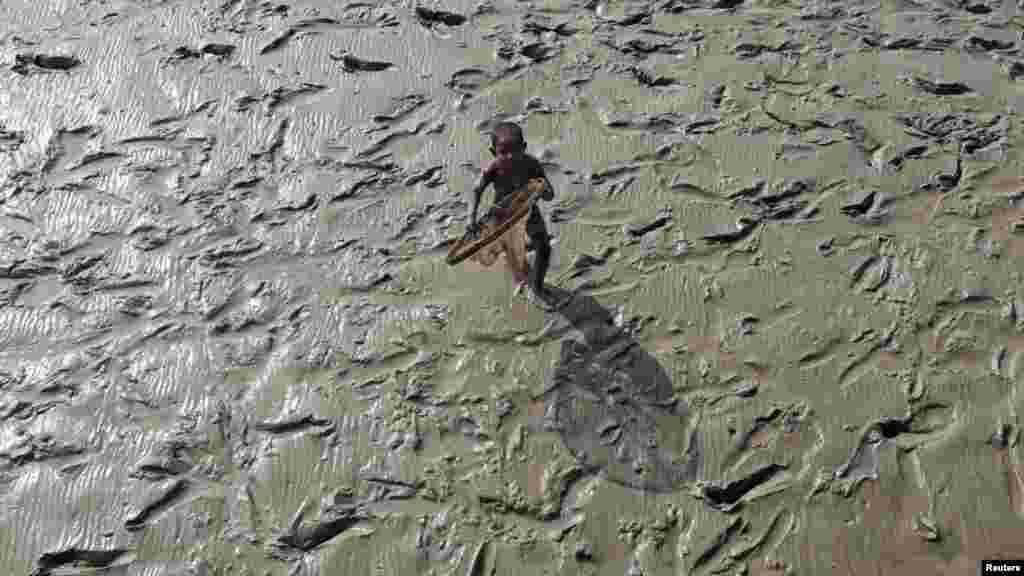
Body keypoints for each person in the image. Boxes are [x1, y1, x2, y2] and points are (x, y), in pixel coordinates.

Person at [468, 122, 559, 307]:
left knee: (544, 248)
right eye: (503, 153)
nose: (510, 157)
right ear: (493, 152)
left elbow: (550, 194)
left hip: (529, 211)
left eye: (516, 151)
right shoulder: (493, 168)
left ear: (524, 148)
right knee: (513, 251)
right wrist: (471, 217)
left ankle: (537, 288)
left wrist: (543, 191)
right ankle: (521, 278)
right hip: (504, 217)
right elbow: (476, 190)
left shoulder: (532, 165)